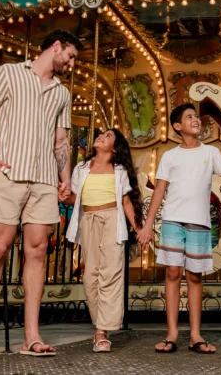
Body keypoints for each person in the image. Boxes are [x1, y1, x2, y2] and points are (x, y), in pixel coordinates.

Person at [0, 30, 80, 358]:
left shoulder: (62, 93)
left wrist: (65, 179)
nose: (72, 64)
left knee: (37, 252)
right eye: (70, 56)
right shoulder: (9, 73)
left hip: (45, 180)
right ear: (55, 47)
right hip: (10, 174)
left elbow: (61, 141)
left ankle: (31, 334)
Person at [137, 103, 221, 355]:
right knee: (172, 273)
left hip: (199, 222)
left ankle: (195, 334)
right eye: (190, 117)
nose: (196, 120)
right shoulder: (170, 156)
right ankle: (172, 333)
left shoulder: (212, 152)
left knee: (194, 276)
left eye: (196, 117)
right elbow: (159, 190)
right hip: (172, 220)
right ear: (177, 126)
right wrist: (148, 224)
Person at [65, 128, 143, 353]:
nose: (101, 136)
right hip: (88, 221)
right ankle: (101, 322)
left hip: (112, 220)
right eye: (102, 134)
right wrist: (63, 196)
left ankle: (102, 331)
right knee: (90, 276)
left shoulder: (118, 170)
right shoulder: (81, 168)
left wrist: (138, 229)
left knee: (110, 274)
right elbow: (74, 198)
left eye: (108, 136)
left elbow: (126, 202)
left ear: (115, 148)